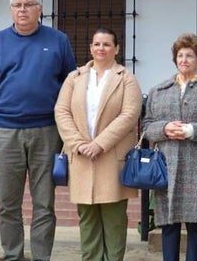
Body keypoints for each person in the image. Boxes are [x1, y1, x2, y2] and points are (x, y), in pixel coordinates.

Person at [0, 0, 76, 261]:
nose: (22, 9)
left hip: (47, 132)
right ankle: (13, 256)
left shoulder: (58, 41)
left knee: (44, 204)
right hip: (5, 133)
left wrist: (69, 134)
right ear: (10, 10)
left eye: (28, 4)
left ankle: (42, 257)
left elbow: (72, 88)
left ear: (40, 9)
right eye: (17, 5)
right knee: (8, 205)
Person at [54, 27, 142, 261]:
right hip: (81, 158)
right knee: (88, 220)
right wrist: (78, 143)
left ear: (117, 49)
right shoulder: (75, 77)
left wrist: (99, 144)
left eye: (106, 44)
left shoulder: (126, 79)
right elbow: (61, 111)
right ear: (91, 47)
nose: (100, 48)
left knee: (114, 220)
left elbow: (129, 115)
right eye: (96, 44)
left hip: (112, 158)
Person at [142, 33, 197, 261]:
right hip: (166, 164)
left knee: (195, 226)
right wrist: (164, 128)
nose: (184, 60)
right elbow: (147, 125)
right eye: (180, 55)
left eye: (190, 55)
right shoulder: (159, 90)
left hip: (196, 165)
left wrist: (192, 131)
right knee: (169, 224)